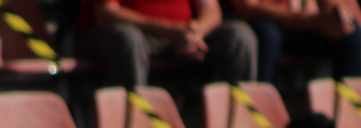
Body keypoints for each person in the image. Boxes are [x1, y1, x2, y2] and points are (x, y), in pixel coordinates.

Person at [82, 0, 257, 88]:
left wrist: (195, 34)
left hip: (183, 36)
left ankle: (240, 123)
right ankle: (136, 123)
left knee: (239, 35)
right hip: (134, 36)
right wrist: (170, 31)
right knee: (128, 38)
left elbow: (211, 9)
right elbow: (106, 13)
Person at [225, 0, 361, 87]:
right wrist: (312, 21)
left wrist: (337, 15)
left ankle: (352, 112)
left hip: (289, 23)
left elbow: (331, 5)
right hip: (243, 22)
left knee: (351, 34)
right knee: (268, 35)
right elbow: (248, 8)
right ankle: (264, 112)